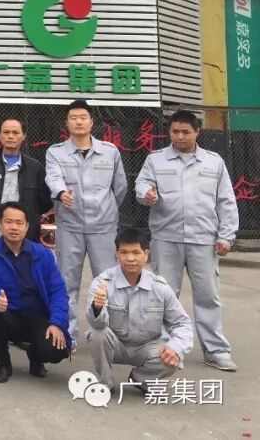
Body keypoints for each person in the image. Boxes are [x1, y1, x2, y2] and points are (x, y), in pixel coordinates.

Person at [135, 109, 239, 372]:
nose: (180, 137)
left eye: (185, 132)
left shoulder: (214, 162)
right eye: (175, 132)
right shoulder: (156, 159)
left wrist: (226, 236)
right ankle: (165, 348)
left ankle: (215, 350)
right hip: (166, 238)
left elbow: (226, 201)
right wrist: (146, 194)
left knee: (208, 296)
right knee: (164, 295)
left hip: (203, 239)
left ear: (197, 132)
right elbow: (141, 185)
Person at [44, 99, 126, 343]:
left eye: (83, 117)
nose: (78, 122)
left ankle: (108, 332)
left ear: (91, 122)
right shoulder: (56, 152)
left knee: (107, 281)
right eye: (73, 118)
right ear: (67, 123)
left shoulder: (110, 152)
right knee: (66, 281)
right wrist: (61, 194)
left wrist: (107, 209)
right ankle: (68, 333)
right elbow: (53, 177)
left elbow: (120, 187)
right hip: (70, 226)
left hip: (103, 228)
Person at [85, 228, 194, 390]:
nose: (130, 258)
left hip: (147, 347)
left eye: (136, 252)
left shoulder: (160, 287)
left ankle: (140, 378)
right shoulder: (102, 283)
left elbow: (182, 323)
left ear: (146, 254)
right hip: (115, 344)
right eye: (124, 252)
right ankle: (105, 382)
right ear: (116, 254)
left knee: (173, 359)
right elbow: (96, 324)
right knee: (97, 334)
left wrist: (176, 347)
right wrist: (97, 307)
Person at [0, 202, 71, 383]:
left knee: (57, 349)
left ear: (27, 226)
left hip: (37, 316)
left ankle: (35, 355)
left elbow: (58, 292)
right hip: (8, 314)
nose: (14, 227)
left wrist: (57, 323)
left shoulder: (43, 254)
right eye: (8, 222)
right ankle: (3, 364)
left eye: (19, 223)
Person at [0, 119, 50, 244]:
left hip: (24, 232)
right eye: (6, 132)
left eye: (15, 132)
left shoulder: (35, 167)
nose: (10, 136)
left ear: (24, 136)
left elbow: (45, 201)